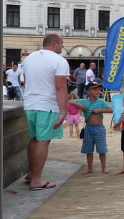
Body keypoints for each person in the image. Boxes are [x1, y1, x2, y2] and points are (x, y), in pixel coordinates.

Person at [19, 34, 69, 191]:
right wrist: (63, 111)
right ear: (54, 43)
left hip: (30, 104)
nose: (62, 46)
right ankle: (36, 179)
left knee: (34, 139)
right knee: (43, 141)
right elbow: (60, 87)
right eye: (61, 43)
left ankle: (31, 173)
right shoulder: (59, 61)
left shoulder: (29, 58)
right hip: (47, 105)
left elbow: (25, 82)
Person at [70, 81, 113, 174]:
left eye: (99, 89)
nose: (98, 91)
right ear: (88, 91)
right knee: (88, 150)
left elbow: (110, 110)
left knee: (102, 149)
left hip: (99, 128)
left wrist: (99, 110)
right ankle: (89, 168)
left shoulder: (101, 101)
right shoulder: (84, 101)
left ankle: (104, 167)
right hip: (88, 128)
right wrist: (80, 106)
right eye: (95, 89)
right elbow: (70, 101)